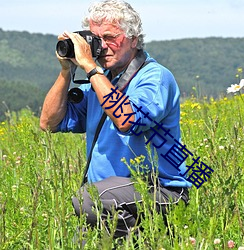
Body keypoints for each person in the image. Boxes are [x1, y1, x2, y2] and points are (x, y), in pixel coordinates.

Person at [40, 0, 192, 244]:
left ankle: (146, 241)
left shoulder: (154, 77)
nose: (102, 47)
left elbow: (127, 120)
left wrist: (90, 67)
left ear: (133, 39)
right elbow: (49, 123)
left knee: (88, 200)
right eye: (96, 39)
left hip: (159, 191)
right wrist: (66, 70)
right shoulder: (99, 83)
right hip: (111, 199)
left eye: (110, 37)